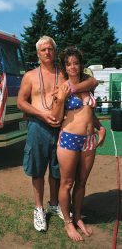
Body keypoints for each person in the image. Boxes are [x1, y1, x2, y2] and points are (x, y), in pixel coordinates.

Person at [17, 36, 98, 232]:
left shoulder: (63, 73)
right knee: (37, 169)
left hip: (61, 128)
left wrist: (73, 89)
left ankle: (55, 204)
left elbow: (91, 81)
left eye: (50, 49)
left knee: (57, 172)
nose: (47, 52)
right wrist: (42, 114)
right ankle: (38, 208)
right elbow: (21, 102)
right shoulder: (30, 76)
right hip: (38, 126)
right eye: (43, 50)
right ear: (38, 53)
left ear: (54, 51)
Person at [56, 47, 106, 241]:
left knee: (82, 182)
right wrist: (61, 99)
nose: (73, 67)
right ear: (65, 67)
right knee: (67, 183)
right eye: (68, 64)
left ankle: (77, 217)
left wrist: (100, 127)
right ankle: (68, 223)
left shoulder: (88, 84)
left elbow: (89, 114)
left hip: (89, 139)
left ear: (80, 64)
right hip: (70, 139)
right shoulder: (63, 87)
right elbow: (57, 115)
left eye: (76, 63)